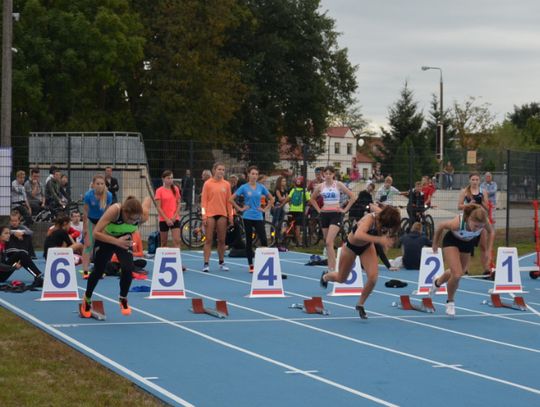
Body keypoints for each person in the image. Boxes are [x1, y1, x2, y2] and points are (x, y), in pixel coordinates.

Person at [320, 205, 400, 319]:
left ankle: (360, 304)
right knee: (341, 279)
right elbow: (359, 234)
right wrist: (379, 239)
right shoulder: (370, 219)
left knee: (373, 277)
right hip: (351, 247)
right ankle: (326, 277)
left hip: (366, 247)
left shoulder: (384, 215)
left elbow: (374, 207)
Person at [80, 196, 151, 317]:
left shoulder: (142, 216)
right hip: (105, 239)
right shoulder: (115, 210)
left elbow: (148, 200)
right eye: (130, 219)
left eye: (136, 220)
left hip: (124, 240)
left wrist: (148, 198)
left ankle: (123, 297)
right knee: (98, 271)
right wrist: (117, 241)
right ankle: (87, 298)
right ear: (124, 212)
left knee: (128, 269)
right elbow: (96, 233)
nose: (133, 222)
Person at [430, 203, 494, 316]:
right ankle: (450, 302)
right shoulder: (457, 224)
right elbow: (441, 226)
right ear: (469, 219)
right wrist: (435, 243)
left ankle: (437, 282)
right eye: (475, 226)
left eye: (480, 227)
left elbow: (491, 232)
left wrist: (488, 250)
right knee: (457, 274)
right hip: (452, 241)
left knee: (459, 272)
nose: (477, 229)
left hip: (468, 243)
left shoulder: (484, 222)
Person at [309, 166, 355, 274]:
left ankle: (333, 269)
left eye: (330, 173)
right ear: (323, 175)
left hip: (336, 214)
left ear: (333, 175)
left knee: (329, 241)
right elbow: (312, 198)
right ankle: (331, 267)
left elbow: (353, 196)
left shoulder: (338, 184)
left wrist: (345, 210)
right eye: (326, 174)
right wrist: (319, 210)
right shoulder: (320, 186)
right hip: (324, 214)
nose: (328, 176)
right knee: (328, 243)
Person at [231, 166, 275, 273]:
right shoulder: (244, 187)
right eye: (253, 174)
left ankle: (263, 263)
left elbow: (272, 198)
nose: (254, 176)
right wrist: (240, 209)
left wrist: (265, 209)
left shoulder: (261, 187)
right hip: (247, 216)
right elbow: (231, 199)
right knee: (249, 241)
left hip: (258, 216)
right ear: (248, 175)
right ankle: (251, 264)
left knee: (264, 239)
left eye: (256, 174)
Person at [201, 163, 234, 272]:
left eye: (223, 170)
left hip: (222, 214)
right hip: (210, 214)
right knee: (209, 240)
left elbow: (229, 202)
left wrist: (231, 215)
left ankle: (221, 262)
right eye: (219, 169)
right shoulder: (207, 184)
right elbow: (203, 202)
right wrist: (204, 216)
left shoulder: (227, 184)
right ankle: (206, 263)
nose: (221, 171)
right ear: (214, 170)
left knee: (221, 240)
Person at [82, 175, 113, 279]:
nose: (100, 186)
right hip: (91, 220)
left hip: (102, 222)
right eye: (98, 184)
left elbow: (108, 212)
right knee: (88, 245)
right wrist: (85, 228)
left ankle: (100, 269)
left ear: (104, 185)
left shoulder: (108, 195)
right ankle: (85, 271)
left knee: (102, 247)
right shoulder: (88, 195)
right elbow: (85, 212)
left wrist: (107, 227)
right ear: (93, 184)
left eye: (102, 184)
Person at [155, 170, 182, 250]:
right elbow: (158, 207)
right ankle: (164, 260)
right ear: (163, 179)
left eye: (171, 178)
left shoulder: (176, 189)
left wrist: (174, 217)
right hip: (164, 219)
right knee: (163, 242)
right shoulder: (159, 191)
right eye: (168, 178)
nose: (170, 180)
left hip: (174, 219)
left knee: (177, 241)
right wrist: (167, 219)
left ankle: (177, 260)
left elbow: (178, 204)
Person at [287, 176, 311, 247]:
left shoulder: (293, 190)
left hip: (291, 210)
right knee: (297, 227)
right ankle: (299, 242)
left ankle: (288, 239)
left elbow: (288, 198)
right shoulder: (305, 191)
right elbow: (309, 201)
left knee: (290, 225)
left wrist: (282, 204)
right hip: (300, 211)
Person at [272, 176, 288, 249]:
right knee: (275, 222)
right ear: (279, 182)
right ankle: (273, 237)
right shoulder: (277, 190)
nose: (284, 183)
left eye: (285, 181)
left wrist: (285, 199)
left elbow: (287, 198)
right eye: (282, 181)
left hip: (282, 207)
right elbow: (280, 199)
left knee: (281, 222)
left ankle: (279, 238)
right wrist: (285, 199)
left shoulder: (285, 189)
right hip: (277, 207)